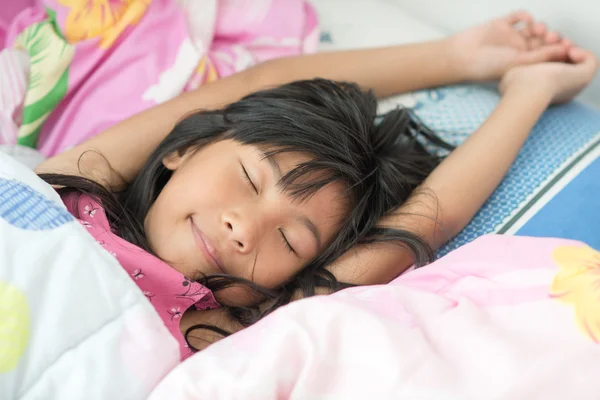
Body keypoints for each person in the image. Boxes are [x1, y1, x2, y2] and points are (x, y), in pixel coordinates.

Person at [35, 11, 598, 358]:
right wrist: (455, 56)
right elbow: (254, 84)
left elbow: (430, 216)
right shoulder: (72, 187)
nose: (244, 228)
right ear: (183, 147)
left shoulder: (222, 327)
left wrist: (530, 90)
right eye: (250, 179)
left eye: (289, 242)